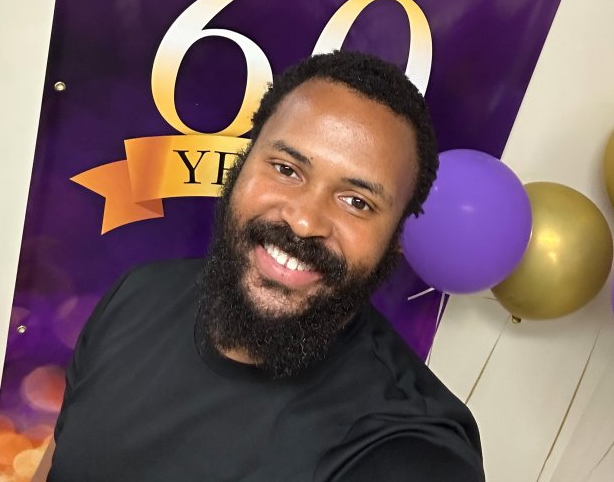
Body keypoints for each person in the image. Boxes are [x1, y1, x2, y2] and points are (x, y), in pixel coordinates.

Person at [36, 51, 485, 481]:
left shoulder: (409, 449)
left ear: (397, 240)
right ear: (242, 163)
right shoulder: (134, 296)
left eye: (356, 201)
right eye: (287, 169)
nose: (304, 220)